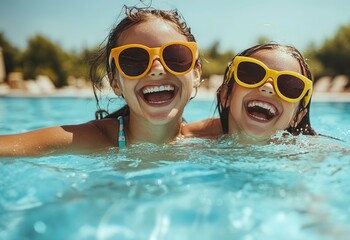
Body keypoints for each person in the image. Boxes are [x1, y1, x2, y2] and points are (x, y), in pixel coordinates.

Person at [0, 6, 201, 156]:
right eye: (134, 60)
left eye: (175, 57)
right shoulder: (95, 139)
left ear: (197, 74)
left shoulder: (209, 137)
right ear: (115, 82)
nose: (157, 69)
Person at [183, 43, 316, 143]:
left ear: (297, 118)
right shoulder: (186, 140)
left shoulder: (312, 158)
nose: (268, 87)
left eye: (289, 86)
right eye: (252, 74)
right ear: (226, 95)